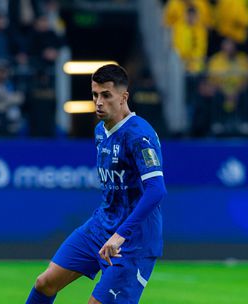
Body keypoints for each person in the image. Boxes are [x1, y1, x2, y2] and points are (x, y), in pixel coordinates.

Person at [26, 64, 167, 304]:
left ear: (124, 97)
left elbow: (156, 191)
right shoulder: (100, 131)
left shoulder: (139, 135)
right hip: (101, 226)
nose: (98, 102)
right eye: (95, 95)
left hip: (133, 240)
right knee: (45, 283)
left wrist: (120, 235)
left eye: (106, 95)